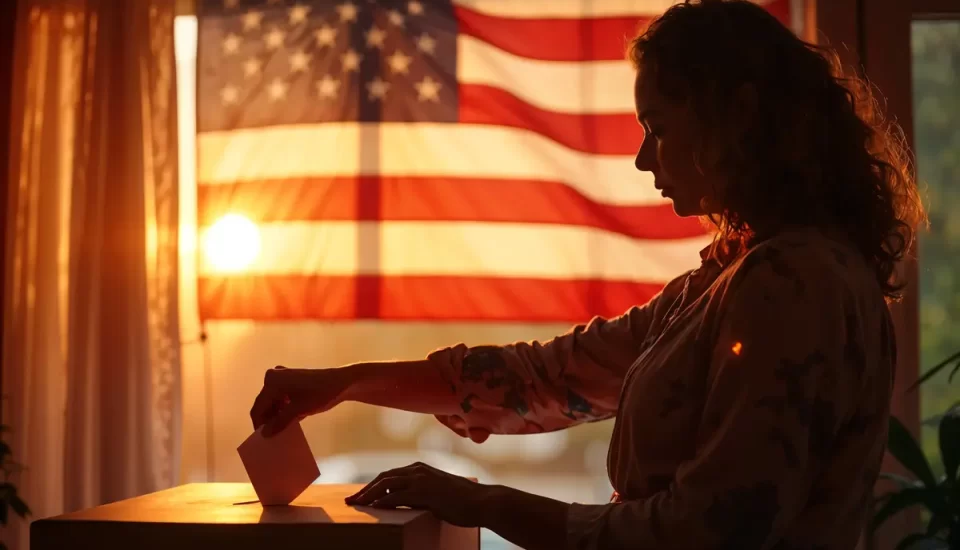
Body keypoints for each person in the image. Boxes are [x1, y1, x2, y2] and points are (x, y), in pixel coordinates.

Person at [250, 1, 926, 548]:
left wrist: (481, 502)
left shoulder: (791, 285)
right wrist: (345, 384)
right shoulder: (735, 279)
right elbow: (542, 378)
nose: (640, 159)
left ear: (738, 117)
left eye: (657, 127)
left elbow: (700, 534)